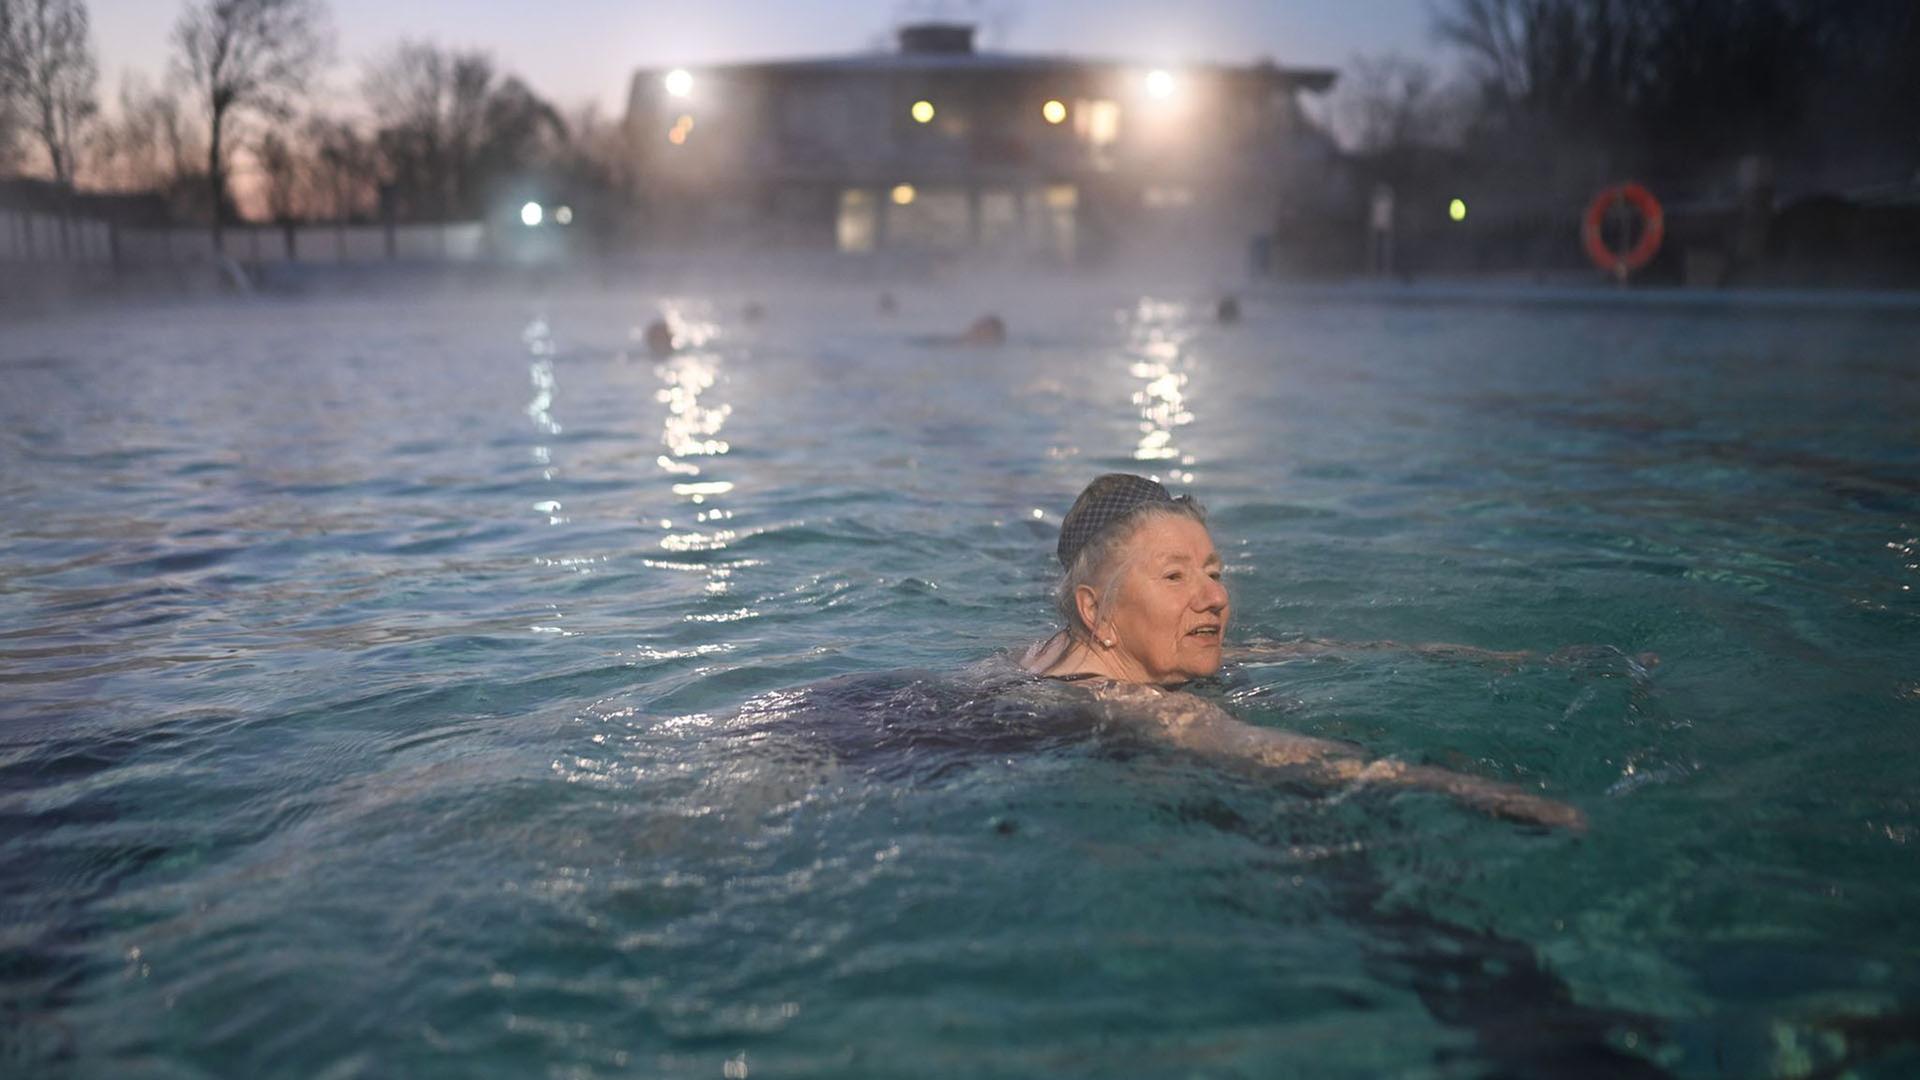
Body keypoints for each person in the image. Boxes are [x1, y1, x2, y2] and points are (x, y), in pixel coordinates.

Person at [1023, 473, 1587, 831]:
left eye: (1215, 572)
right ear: (1095, 610)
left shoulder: (1044, 657)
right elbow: (1268, 750)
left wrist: (1507, 659)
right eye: (1175, 576)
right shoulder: (1130, 704)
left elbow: (1304, 648)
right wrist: (1465, 790)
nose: (1216, 597)